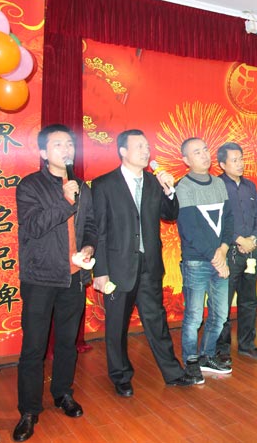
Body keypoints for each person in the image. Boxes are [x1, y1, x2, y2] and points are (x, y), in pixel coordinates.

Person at [92, 129, 198, 399]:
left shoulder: (153, 182)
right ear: (123, 151)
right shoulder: (104, 184)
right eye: (139, 146)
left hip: (150, 265)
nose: (145, 151)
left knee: (156, 320)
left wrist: (169, 191)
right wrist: (100, 271)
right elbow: (98, 230)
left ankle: (173, 373)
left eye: (147, 146)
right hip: (118, 267)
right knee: (117, 325)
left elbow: (169, 215)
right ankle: (120, 376)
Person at [13, 125, 97, 442]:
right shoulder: (30, 186)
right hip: (40, 278)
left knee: (66, 342)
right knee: (34, 347)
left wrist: (88, 248)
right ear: (43, 152)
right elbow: (33, 227)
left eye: (69, 144)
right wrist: (64, 199)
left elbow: (91, 226)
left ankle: (63, 393)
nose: (66, 149)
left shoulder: (83, 187)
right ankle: (29, 410)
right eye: (58, 144)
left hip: (73, 277)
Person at [176, 138, 234, 382]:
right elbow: (190, 229)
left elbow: (229, 220)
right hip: (196, 262)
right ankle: (190, 361)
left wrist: (223, 250)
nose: (204, 155)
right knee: (194, 316)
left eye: (205, 150)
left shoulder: (219, 183)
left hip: (219, 258)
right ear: (186, 160)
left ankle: (207, 356)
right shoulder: (183, 187)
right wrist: (216, 257)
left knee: (220, 315)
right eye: (197, 152)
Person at [216, 142, 257, 362]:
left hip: (251, 252)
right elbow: (217, 220)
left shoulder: (250, 186)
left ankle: (247, 344)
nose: (240, 164)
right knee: (223, 303)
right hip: (229, 252)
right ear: (222, 164)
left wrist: (253, 239)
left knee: (249, 300)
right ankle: (221, 350)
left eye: (241, 159)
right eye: (234, 160)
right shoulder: (216, 185)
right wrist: (238, 239)